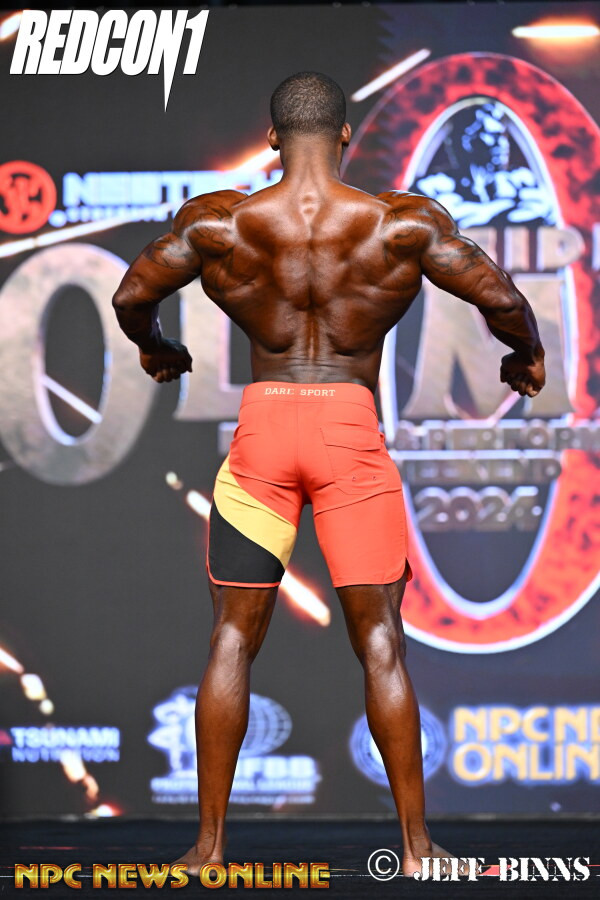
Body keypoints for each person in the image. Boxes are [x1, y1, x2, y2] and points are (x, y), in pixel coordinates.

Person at [112, 72, 545, 878]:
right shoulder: (401, 224)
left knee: (231, 637)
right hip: (350, 433)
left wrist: (159, 347)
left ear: (271, 138)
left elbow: (132, 295)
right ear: (346, 134)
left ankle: (208, 849)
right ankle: (416, 849)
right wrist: (525, 354)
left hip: (264, 435)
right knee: (381, 642)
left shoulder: (219, 224)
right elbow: (501, 297)